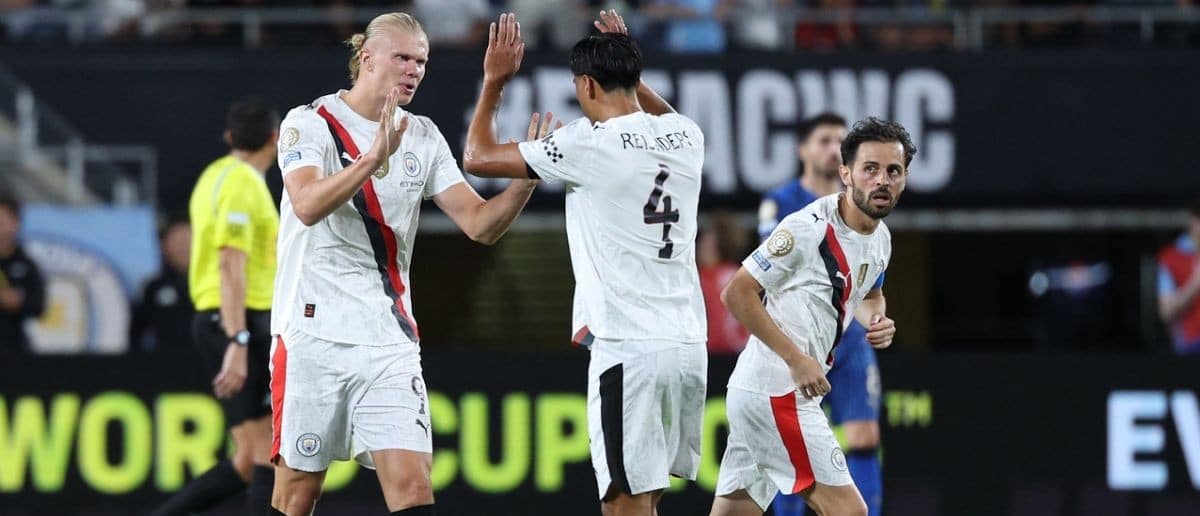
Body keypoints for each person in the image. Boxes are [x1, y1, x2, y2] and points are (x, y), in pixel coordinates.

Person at [268, 12, 544, 515]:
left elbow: (480, 225)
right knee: (296, 497)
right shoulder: (308, 123)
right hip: (311, 335)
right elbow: (306, 205)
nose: (414, 69)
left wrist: (524, 181)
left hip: (388, 340)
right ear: (366, 58)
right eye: (402, 58)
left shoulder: (423, 136)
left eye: (421, 61)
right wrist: (372, 158)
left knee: (414, 488)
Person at [461, 10, 708, 516]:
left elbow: (477, 156)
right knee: (648, 498)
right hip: (687, 345)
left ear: (588, 85)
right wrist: (631, 66)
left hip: (629, 347)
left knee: (623, 505)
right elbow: (656, 115)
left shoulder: (587, 144)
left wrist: (495, 81)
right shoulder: (688, 137)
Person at [710, 117, 913, 516]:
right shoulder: (807, 228)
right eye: (870, 169)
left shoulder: (881, 237)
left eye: (894, 171)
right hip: (778, 391)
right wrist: (796, 359)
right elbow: (736, 293)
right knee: (849, 512)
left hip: (761, 394)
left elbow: (871, 292)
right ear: (845, 173)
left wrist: (876, 319)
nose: (882, 181)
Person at [150, 98, 280, 516]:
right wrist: (238, 339)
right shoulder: (244, 183)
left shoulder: (212, 176)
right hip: (239, 322)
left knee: (246, 458)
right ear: (275, 139)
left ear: (229, 137)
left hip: (219, 319)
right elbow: (230, 261)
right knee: (267, 456)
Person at [761, 113, 885, 516]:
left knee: (864, 436)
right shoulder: (780, 204)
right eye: (824, 140)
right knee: (793, 450)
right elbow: (775, 273)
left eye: (839, 141)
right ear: (803, 150)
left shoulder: (862, 211)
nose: (833, 148)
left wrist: (876, 316)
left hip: (848, 341)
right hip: (800, 340)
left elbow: (869, 286)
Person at [130, 215, 194, 353]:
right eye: (178, 243)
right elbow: (136, 331)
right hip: (165, 365)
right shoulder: (153, 287)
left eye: (188, 242)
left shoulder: (216, 286)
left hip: (208, 365)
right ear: (164, 246)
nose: (184, 249)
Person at [700, 212, 751, 355]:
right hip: (736, 351)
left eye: (706, 243)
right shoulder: (737, 273)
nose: (701, 246)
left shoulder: (718, 277)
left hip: (722, 353)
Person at [0, 190, 45, 353]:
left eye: (1, 221)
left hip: (13, 350)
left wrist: (17, 302)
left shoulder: (26, 264)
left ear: (16, 223)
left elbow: (39, 306)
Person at [1157, 200, 1200, 356]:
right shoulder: (1170, 257)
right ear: (1192, 220)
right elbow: (1166, 311)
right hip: (1191, 347)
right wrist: (1195, 284)